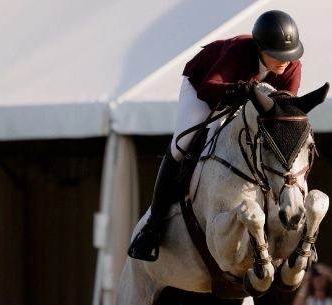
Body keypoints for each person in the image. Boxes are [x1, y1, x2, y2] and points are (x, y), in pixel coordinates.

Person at [127, 10, 304, 261]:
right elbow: (208, 89)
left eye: (288, 55)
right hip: (206, 92)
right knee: (182, 145)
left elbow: (281, 114)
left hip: (246, 102)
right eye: (276, 55)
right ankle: (152, 227)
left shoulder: (292, 67)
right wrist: (238, 90)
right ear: (259, 48)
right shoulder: (238, 52)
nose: (284, 61)